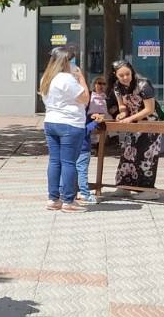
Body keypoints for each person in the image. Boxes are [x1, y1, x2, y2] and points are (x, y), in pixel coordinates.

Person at [39, 46, 90, 212]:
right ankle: (69, 200)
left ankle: (53, 198)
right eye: (72, 59)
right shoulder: (66, 79)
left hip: (51, 122)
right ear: (66, 61)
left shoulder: (47, 78)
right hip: (70, 123)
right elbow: (85, 98)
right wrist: (81, 77)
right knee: (69, 162)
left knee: (54, 161)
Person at [111, 59, 161, 189]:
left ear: (132, 72)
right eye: (121, 75)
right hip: (133, 124)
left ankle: (147, 189)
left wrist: (130, 118)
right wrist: (122, 114)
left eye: (127, 74)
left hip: (150, 124)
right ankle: (124, 186)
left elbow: (149, 109)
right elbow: (122, 106)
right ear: (115, 75)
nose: (125, 78)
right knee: (127, 154)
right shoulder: (117, 86)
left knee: (145, 156)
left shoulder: (143, 84)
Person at [77, 76, 111, 203]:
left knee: (71, 167)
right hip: (83, 141)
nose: (101, 86)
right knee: (81, 168)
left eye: (104, 83)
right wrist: (95, 122)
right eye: (98, 83)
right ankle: (84, 193)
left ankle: (66, 192)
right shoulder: (86, 102)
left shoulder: (106, 98)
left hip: (81, 139)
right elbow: (84, 127)